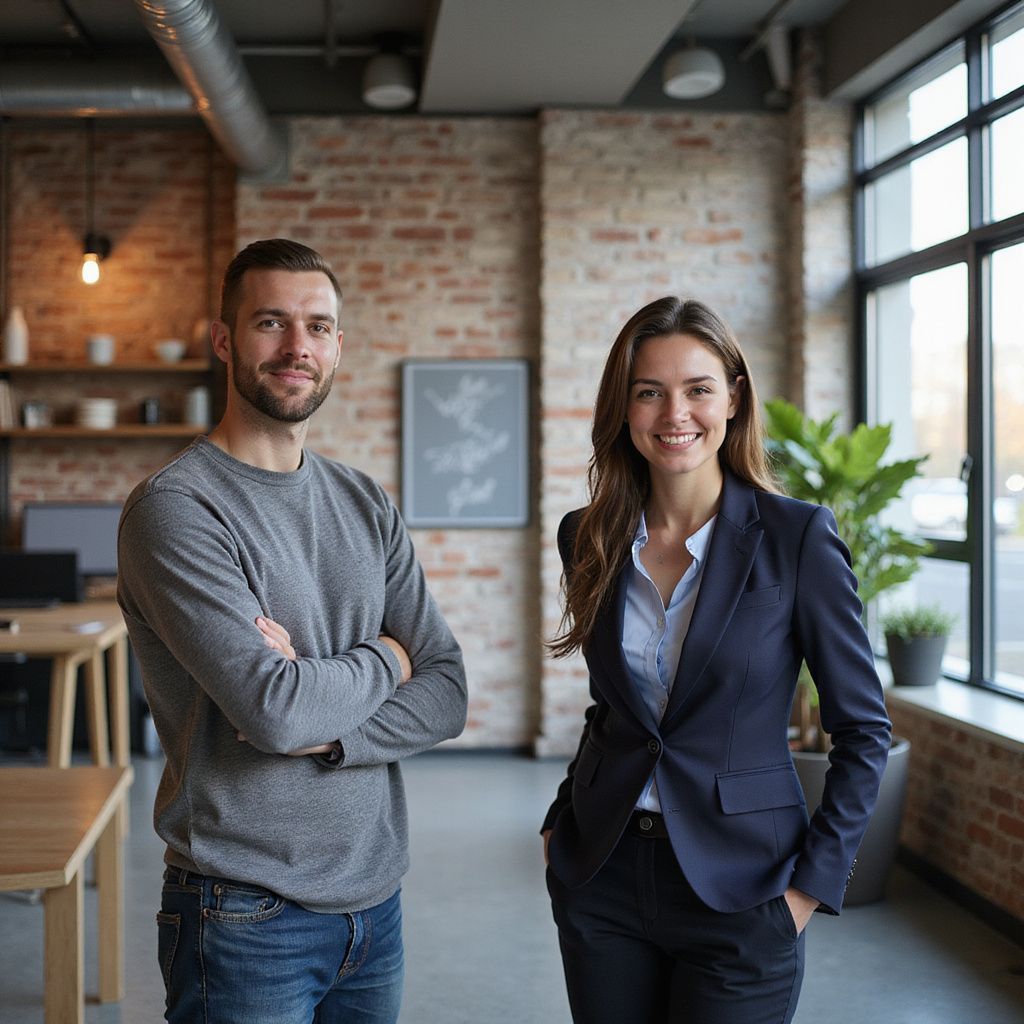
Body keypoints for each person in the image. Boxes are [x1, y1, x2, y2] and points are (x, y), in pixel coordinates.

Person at [117, 238, 467, 1023]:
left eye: (317, 327)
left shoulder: (364, 500)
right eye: (271, 322)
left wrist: (331, 724)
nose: (296, 347)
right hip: (242, 913)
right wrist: (387, 654)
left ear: (338, 346)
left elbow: (447, 690)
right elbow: (276, 712)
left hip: (376, 905)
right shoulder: (176, 509)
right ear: (224, 339)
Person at [541, 296, 891, 1024]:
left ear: (733, 397)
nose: (675, 412)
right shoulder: (587, 536)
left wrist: (808, 890)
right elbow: (617, 708)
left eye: (698, 388)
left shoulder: (798, 538)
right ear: (624, 407)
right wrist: (559, 824)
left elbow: (862, 730)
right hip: (603, 877)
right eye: (649, 391)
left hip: (747, 887)